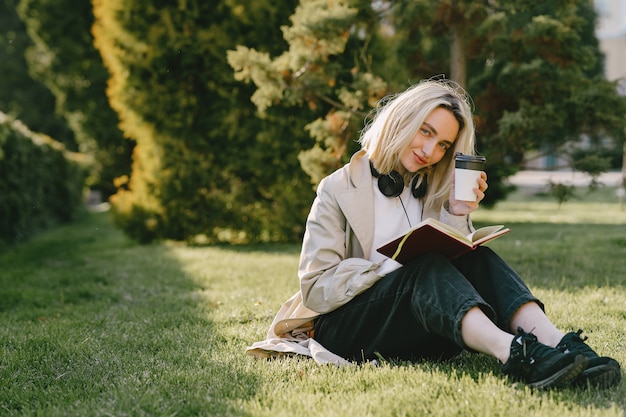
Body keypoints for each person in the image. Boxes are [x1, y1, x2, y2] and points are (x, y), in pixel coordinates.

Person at [246, 79, 621, 389]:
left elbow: (454, 270)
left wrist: (458, 215)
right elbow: (316, 286)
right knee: (422, 267)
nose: (430, 150)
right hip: (346, 328)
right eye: (425, 132)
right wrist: (389, 268)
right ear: (401, 121)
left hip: (419, 326)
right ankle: (517, 354)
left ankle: (561, 346)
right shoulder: (336, 188)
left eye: (443, 144)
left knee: (477, 256)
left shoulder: (432, 187)